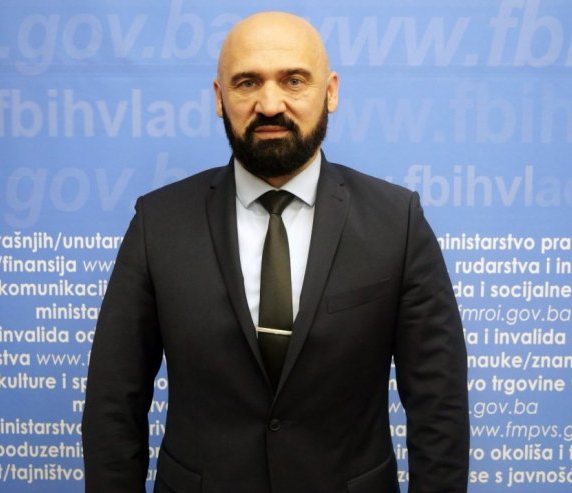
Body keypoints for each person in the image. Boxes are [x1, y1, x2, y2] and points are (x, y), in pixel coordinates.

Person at [82, 11, 469, 493]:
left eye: (293, 81)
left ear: (330, 92)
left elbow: (439, 406)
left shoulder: (398, 222)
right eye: (247, 82)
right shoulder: (157, 223)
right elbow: (114, 403)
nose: (269, 104)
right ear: (219, 98)